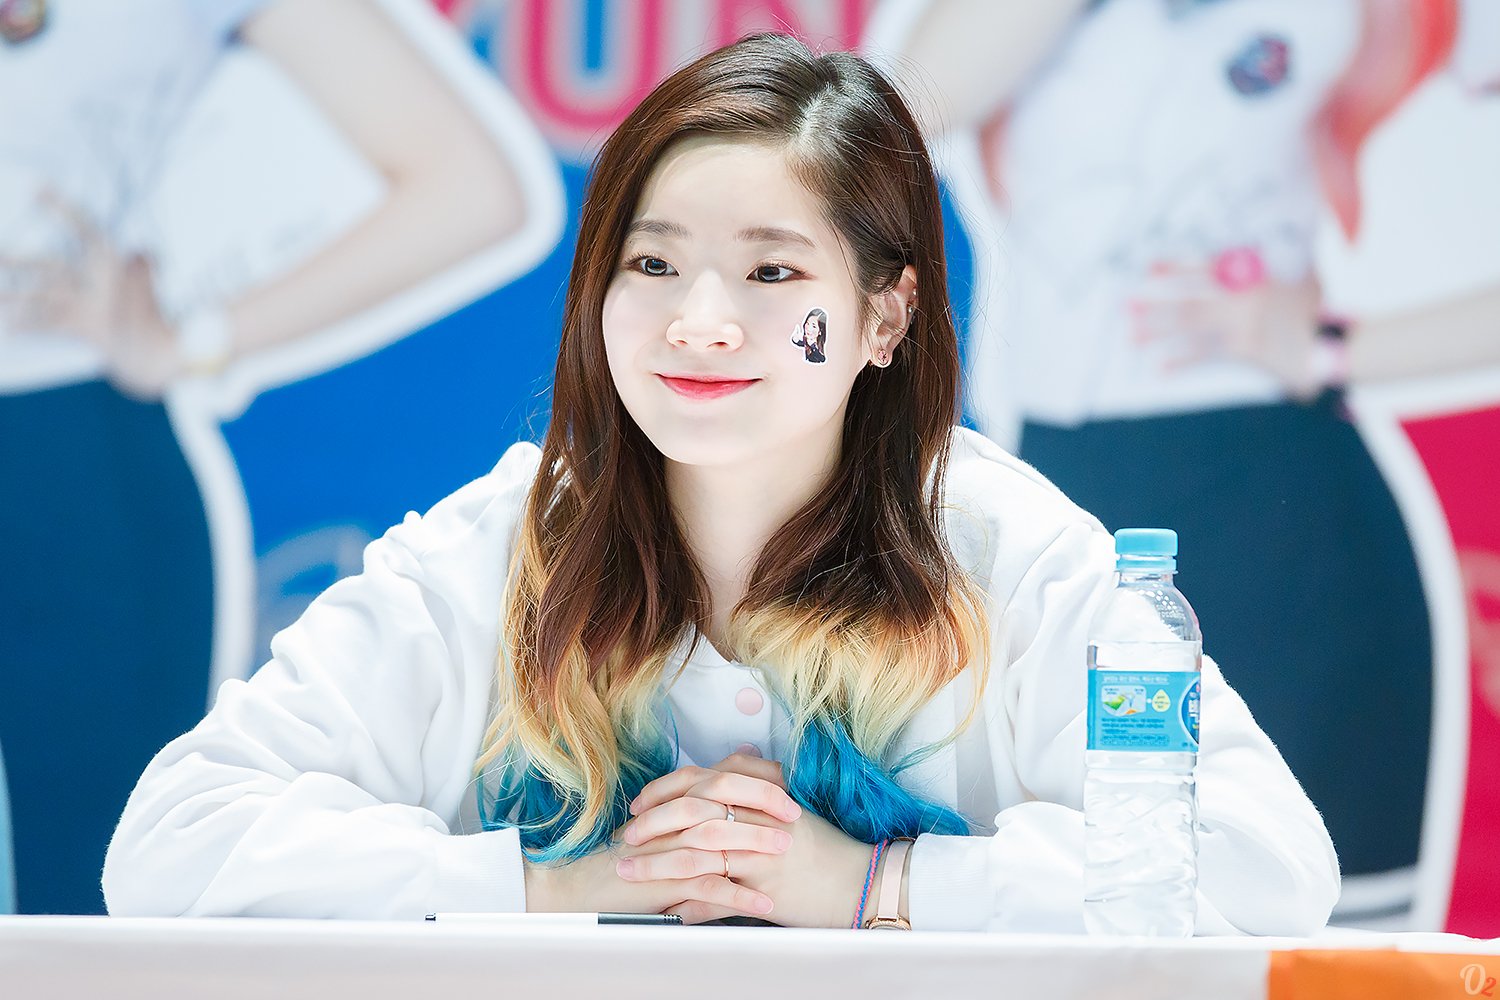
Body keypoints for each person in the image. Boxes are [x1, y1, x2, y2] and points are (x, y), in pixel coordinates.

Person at [102, 33, 1339, 931]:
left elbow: (1262, 864)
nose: (699, 322)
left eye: (771, 272)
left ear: (886, 314)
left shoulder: (1008, 551)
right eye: (653, 264)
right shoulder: (494, 550)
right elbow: (171, 841)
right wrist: (559, 885)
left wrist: (872, 884)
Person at [869, 0, 1499, 924]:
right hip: (1069, 494)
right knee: (1062, 921)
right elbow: (886, 118)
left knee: (1336, 947)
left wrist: (1333, 347)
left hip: (1290, 519)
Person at [0, 0, 556, 914]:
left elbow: (467, 185)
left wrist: (195, 342)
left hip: (64, 476)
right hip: (73, 476)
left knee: (85, 906)